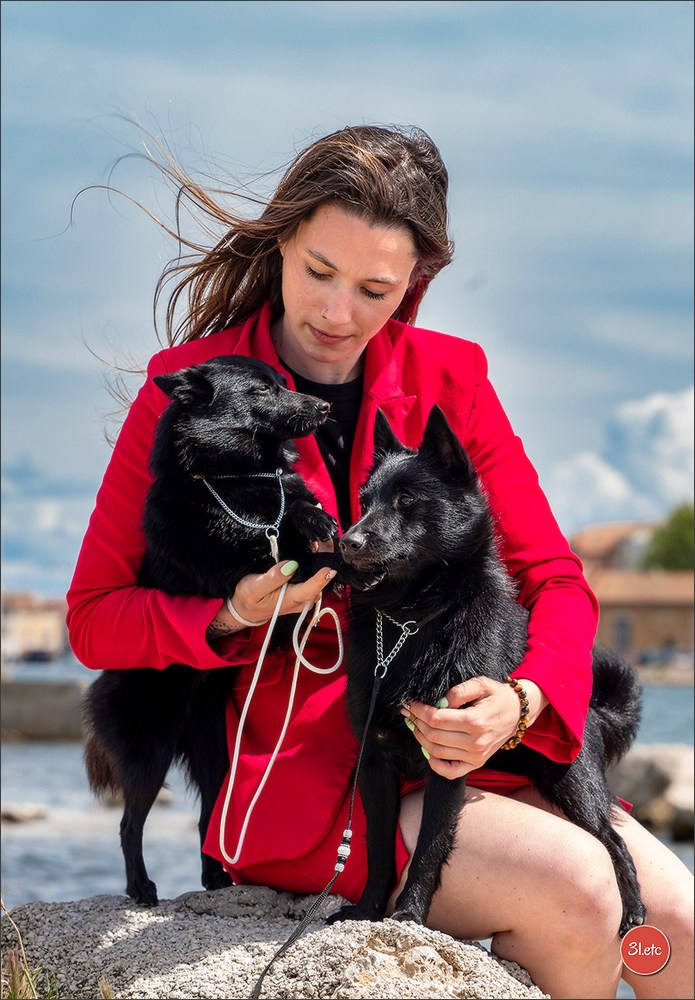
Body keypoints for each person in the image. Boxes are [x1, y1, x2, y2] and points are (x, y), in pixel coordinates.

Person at [66, 123, 693, 999]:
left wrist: (523, 699)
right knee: (580, 894)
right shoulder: (187, 385)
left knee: (683, 928)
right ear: (281, 239)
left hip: (476, 756)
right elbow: (95, 617)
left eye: (375, 289)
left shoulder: (453, 377)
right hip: (301, 788)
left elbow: (554, 578)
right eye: (319, 271)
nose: (336, 313)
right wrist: (230, 616)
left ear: (416, 282)